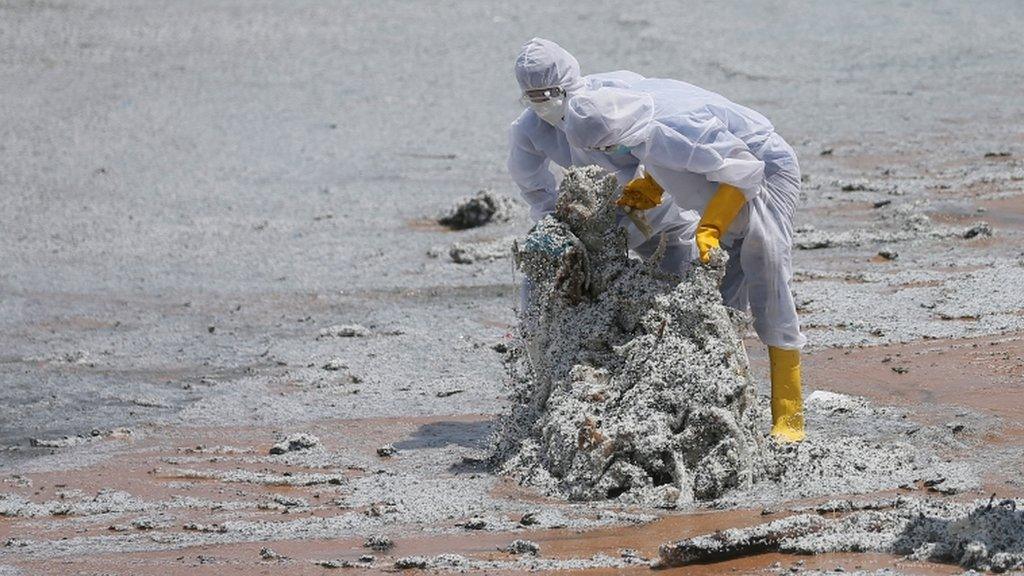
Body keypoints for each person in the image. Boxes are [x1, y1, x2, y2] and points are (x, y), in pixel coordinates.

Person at [562, 79, 807, 443]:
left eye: (608, 147)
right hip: (722, 172)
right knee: (718, 300)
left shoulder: (674, 128)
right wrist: (651, 185)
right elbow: (675, 160)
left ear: (619, 130)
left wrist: (710, 226)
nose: (609, 153)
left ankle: (789, 412)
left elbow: (743, 168)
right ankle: (727, 392)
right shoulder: (632, 112)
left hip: (765, 170)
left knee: (766, 265)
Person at [508, 38, 698, 274]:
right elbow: (530, 182)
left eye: (550, 95)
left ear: (567, 83)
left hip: (660, 202)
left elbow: (663, 136)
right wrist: (554, 223)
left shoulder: (618, 94)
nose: (544, 107)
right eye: (533, 99)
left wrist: (649, 182)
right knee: (553, 265)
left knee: (681, 275)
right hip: (603, 216)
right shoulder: (529, 128)